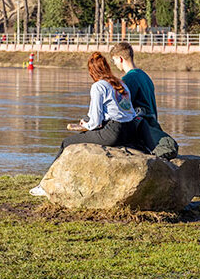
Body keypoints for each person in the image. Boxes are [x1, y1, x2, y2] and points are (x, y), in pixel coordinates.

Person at [29, 52, 140, 197]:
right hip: (130, 130)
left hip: (114, 132)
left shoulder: (99, 86)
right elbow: (128, 112)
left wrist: (85, 125)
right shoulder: (122, 84)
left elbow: (95, 122)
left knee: (67, 143)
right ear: (107, 67)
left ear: (92, 71)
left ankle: (45, 186)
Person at [110, 42, 179, 159]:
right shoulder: (145, 76)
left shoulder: (128, 79)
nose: (115, 64)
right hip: (153, 124)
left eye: (114, 60)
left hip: (142, 128)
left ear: (120, 58)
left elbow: (122, 107)